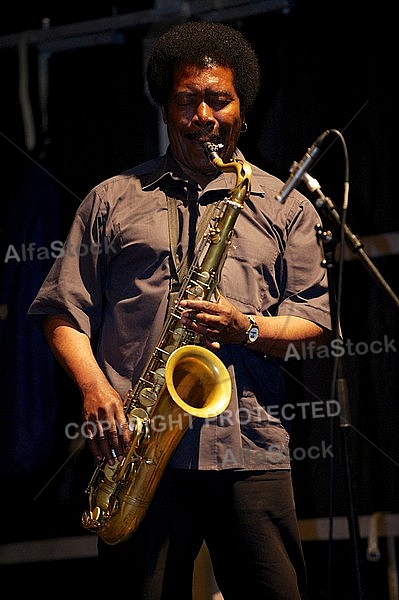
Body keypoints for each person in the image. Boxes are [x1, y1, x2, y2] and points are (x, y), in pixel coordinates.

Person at [28, 20, 331, 600]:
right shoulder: (111, 200)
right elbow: (63, 311)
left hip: (250, 446)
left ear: (243, 107)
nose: (204, 116)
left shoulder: (284, 203)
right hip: (139, 448)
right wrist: (94, 388)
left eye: (219, 100)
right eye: (187, 100)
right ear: (166, 108)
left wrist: (246, 327)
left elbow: (314, 323)